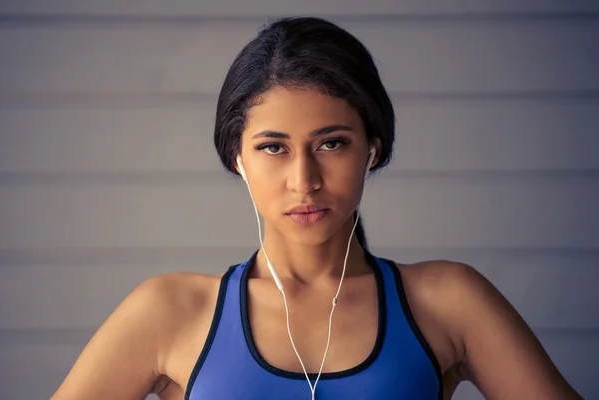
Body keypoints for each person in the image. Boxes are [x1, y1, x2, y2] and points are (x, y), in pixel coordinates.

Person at [51, 17, 582, 400]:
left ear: (372, 148)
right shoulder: (169, 311)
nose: (304, 180)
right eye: (272, 147)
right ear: (237, 156)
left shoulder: (448, 302)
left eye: (332, 143)